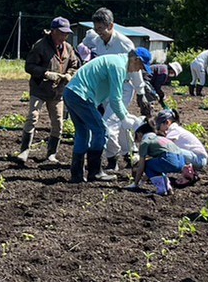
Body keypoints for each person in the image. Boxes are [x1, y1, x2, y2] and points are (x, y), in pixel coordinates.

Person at [63, 47, 147, 183]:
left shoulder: (116, 61)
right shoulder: (119, 66)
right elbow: (115, 99)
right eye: (140, 66)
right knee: (101, 130)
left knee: (83, 133)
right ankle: (95, 172)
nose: (139, 70)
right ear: (135, 59)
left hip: (71, 93)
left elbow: (113, 97)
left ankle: (77, 173)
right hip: (81, 96)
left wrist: (126, 115)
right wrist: (123, 118)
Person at [80, 8, 147, 171]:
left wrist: (141, 92)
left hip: (123, 88)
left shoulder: (124, 44)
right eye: (96, 29)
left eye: (101, 29)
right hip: (106, 89)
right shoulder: (96, 39)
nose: (99, 33)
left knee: (108, 124)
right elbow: (85, 41)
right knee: (120, 120)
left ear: (111, 26)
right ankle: (131, 153)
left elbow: (135, 68)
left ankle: (112, 159)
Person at [17, 17, 81, 165]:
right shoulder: (40, 46)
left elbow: (74, 64)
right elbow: (29, 66)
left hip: (57, 92)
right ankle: (24, 150)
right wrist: (45, 73)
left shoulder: (68, 48)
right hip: (39, 89)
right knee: (32, 117)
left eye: (66, 34)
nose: (65, 36)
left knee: (58, 123)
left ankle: (51, 154)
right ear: (53, 32)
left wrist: (69, 74)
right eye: (62, 33)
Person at [128, 130, 193, 196]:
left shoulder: (145, 142)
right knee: (157, 166)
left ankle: (162, 189)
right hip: (181, 162)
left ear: (140, 135)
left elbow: (141, 166)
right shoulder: (162, 139)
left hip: (170, 159)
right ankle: (168, 188)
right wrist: (142, 181)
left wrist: (135, 183)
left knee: (146, 164)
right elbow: (154, 168)